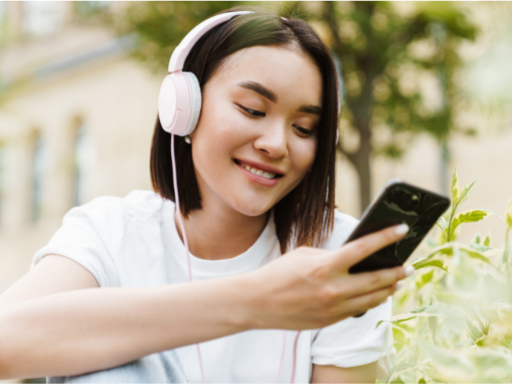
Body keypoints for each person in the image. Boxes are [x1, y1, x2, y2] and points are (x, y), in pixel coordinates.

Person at [0, 8, 413, 384]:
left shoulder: (337, 255)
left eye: (304, 128)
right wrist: (255, 301)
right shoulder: (112, 233)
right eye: (252, 109)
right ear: (184, 108)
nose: (277, 144)